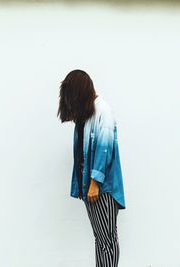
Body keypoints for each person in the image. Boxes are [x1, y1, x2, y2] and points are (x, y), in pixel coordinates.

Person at [57, 69, 126, 267]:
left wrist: (95, 182)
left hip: (102, 189)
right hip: (91, 188)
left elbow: (105, 147)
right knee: (102, 239)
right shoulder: (87, 113)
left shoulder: (102, 110)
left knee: (107, 240)